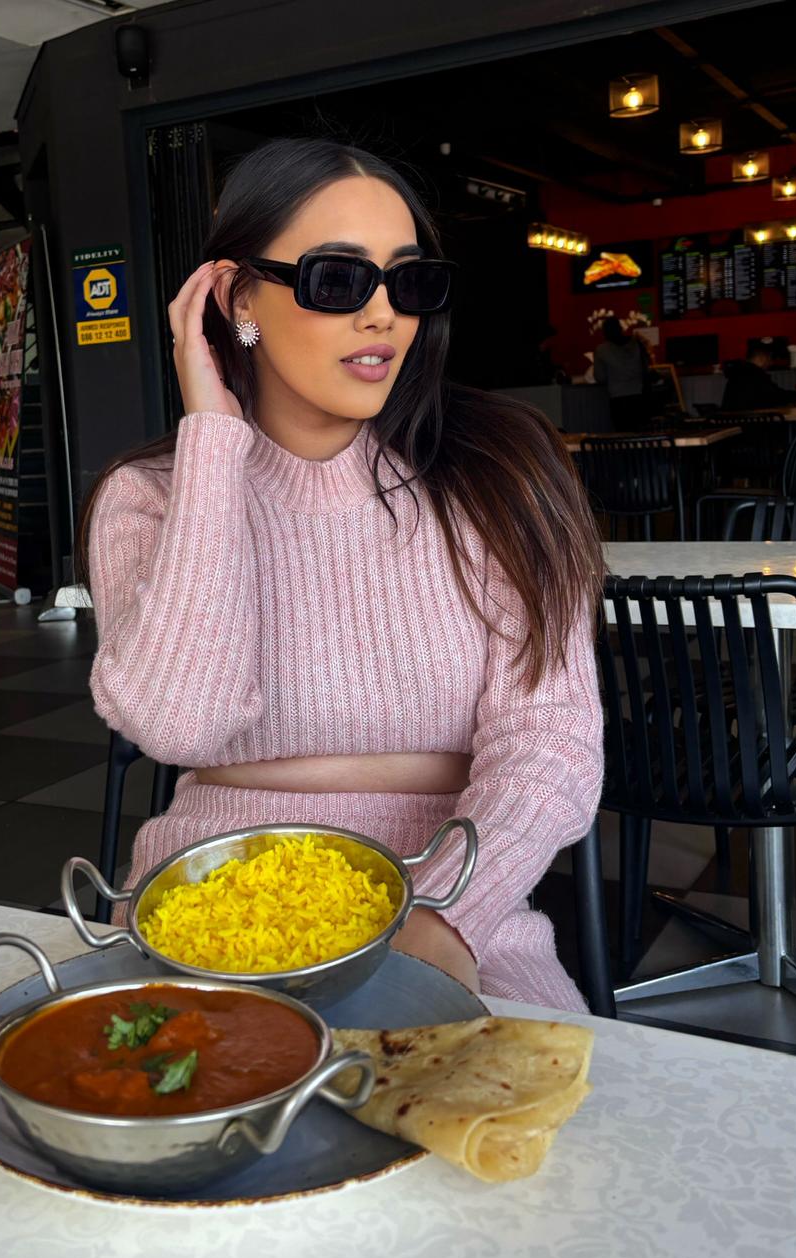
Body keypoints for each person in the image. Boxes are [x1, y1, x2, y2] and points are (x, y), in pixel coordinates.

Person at [79, 137, 604, 1011]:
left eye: (409, 282)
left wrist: (442, 916)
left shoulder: (501, 476)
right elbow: (184, 724)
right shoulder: (149, 500)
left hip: (459, 903)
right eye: (339, 280)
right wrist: (213, 442)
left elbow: (552, 744)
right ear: (239, 296)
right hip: (211, 907)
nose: (384, 316)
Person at [593, 316, 649, 430]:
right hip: (639, 395)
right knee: (641, 433)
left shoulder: (602, 350)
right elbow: (645, 369)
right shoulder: (636, 344)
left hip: (618, 398)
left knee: (622, 434)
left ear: (605, 332)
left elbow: (600, 377)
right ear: (620, 328)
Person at [721, 339, 796, 412]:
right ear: (761, 358)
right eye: (769, 358)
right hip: (752, 426)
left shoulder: (735, 374)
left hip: (733, 426)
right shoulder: (756, 375)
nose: (771, 363)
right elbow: (777, 396)